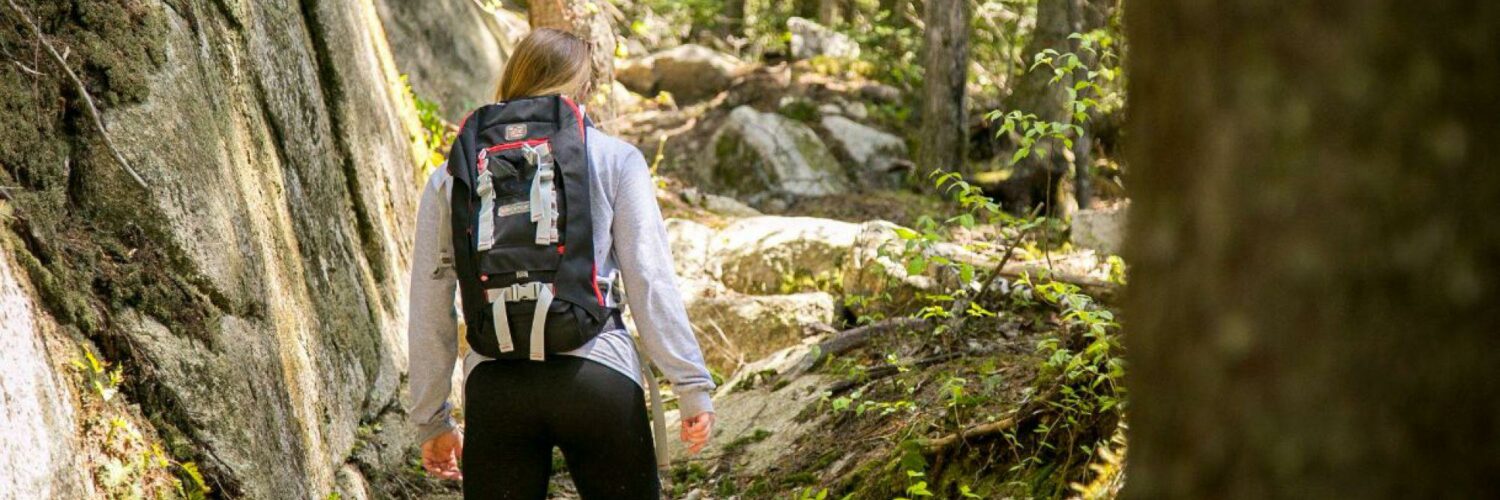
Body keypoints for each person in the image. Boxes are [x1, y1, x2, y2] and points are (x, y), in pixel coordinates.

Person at [406, 28, 716, 499]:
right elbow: (649, 280)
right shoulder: (616, 159)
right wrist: (690, 384)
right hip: (597, 373)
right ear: (585, 88)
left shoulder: (453, 173)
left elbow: (430, 302)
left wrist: (432, 419)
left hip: (496, 382)